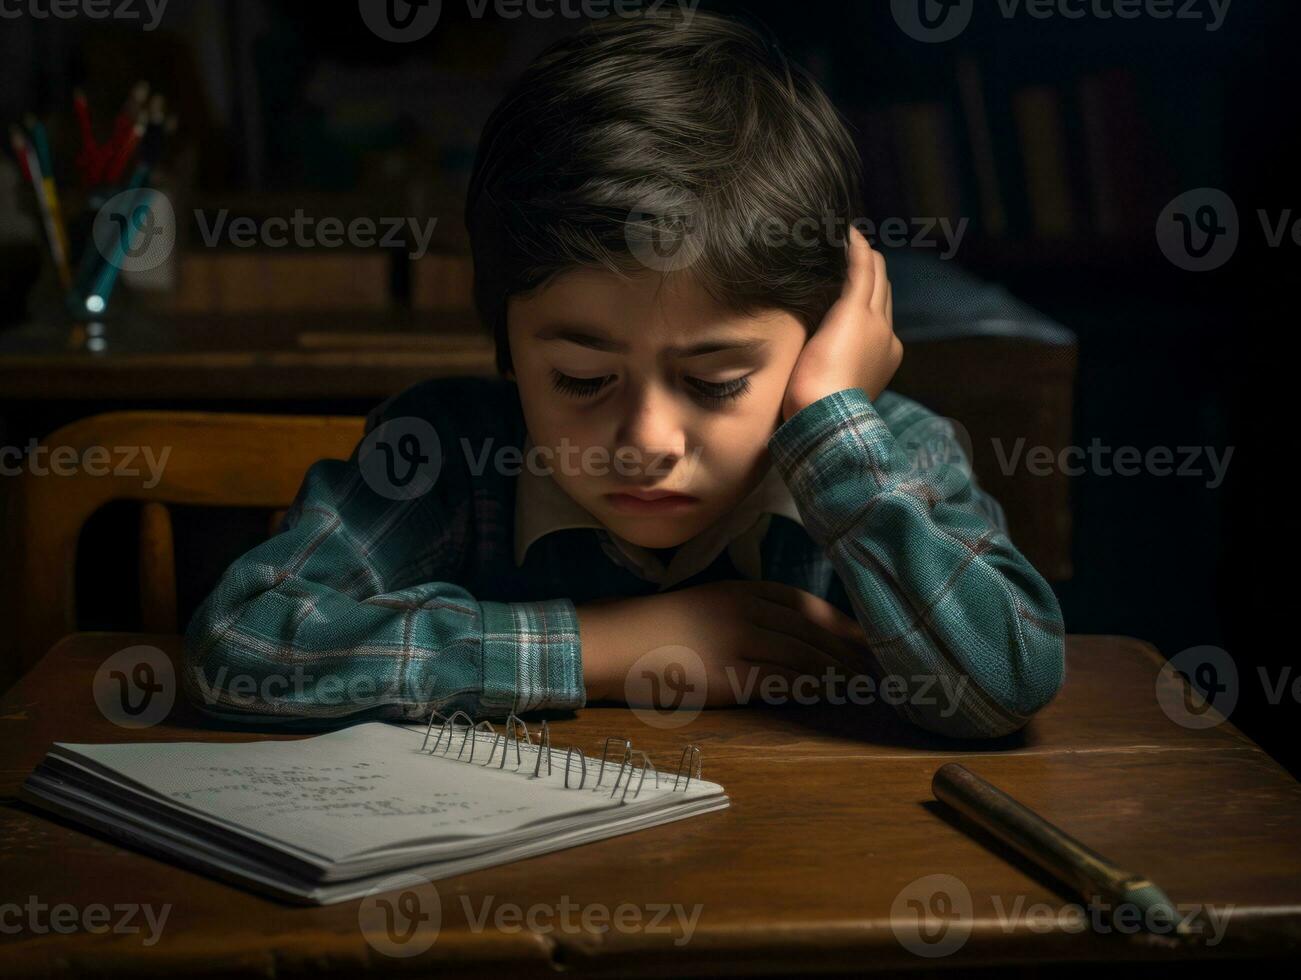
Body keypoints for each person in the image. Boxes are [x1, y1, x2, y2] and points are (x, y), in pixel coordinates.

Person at [183, 10, 1065, 738]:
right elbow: (239, 644)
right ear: (507, 342)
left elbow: (1005, 683)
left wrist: (834, 428)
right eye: (578, 378)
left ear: (826, 338)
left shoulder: (888, 452)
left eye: (717, 382)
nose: (646, 444)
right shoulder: (449, 454)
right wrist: (601, 644)